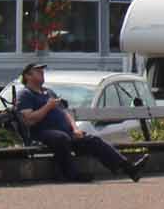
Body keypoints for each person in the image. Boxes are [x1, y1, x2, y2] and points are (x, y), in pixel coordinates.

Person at [13, 63, 147, 183]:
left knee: (94, 140)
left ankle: (129, 169)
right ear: (28, 76)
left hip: (67, 131)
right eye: (38, 71)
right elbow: (28, 119)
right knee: (60, 138)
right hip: (41, 133)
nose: (42, 73)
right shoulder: (25, 94)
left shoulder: (48, 92)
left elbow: (65, 113)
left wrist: (75, 128)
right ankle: (71, 174)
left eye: (42, 71)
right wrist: (47, 106)